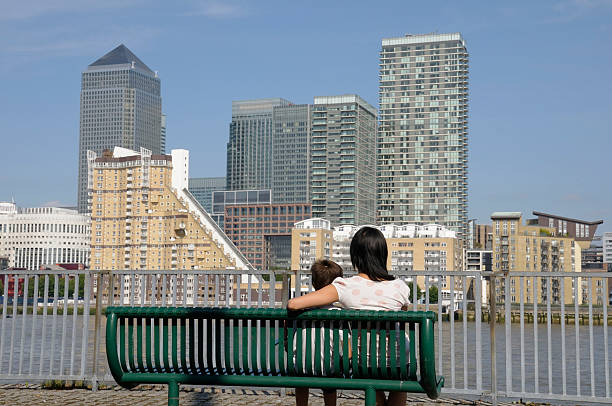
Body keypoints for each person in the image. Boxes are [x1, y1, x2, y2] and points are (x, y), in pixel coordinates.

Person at [288, 226, 411, 406]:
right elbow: (403, 318)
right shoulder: (400, 287)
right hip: (398, 361)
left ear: (355, 256)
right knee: (400, 374)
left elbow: (294, 304)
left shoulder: (345, 286)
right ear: (383, 254)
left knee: (371, 373)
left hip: (364, 363)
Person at [294, 259, 343, 406]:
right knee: (330, 377)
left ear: (314, 283)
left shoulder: (300, 311)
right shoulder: (340, 314)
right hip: (328, 369)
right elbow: (346, 349)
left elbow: (289, 342)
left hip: (301, 368)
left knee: (301, 376)